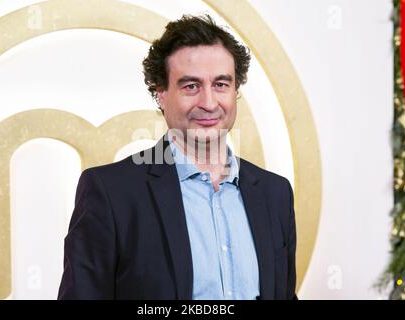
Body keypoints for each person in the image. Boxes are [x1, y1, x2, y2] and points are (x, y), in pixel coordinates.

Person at [58, 14, 297, 300]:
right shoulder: (111, 192)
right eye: (191, 86)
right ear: (161, 93)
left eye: (221, 84)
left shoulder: (275, 193)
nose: (208, 103)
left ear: (236, 91)